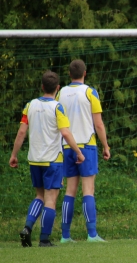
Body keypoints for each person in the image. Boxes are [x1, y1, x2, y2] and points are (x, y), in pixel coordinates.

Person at [9, 71, 85, 247]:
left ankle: (27, 228)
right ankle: (44, 239)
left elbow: (21, 131)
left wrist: (14, 155)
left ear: (42, 87)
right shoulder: (57, 108)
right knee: (50, 199)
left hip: (34, 159)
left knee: (39, 195)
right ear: (57, 88)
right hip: (52, 160)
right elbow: (65, 132)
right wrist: (79, 153)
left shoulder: (30, 106)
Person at [57, 59, 110, 243]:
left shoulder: (61, 93)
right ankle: (92, 234)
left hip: (67, 146)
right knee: (88, 190)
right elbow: (98, 124)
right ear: (85, 73)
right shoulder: (90, 92)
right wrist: (106, 145)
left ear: (69, 74)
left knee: (70, 191)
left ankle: (65, 236)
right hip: (86, 145)